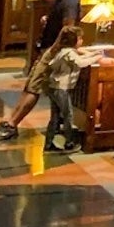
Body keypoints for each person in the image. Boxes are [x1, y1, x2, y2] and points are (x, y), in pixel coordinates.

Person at [0, 0, 80, 142]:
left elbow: (68, 28)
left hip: (52, 52)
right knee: (30, 86)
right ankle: (10, 121)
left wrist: (53, 50)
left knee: (34, 88)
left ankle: (12, 124)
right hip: (48, 49)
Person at [43, 25, 100, 153]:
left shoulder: (64, 51)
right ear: (73, 40)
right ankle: (69, 143)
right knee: (67, 115)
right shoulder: (68, 52)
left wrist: (92, 54)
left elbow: (79, 59)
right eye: (80, 38)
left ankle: (49, 144)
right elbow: (80, 63)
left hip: (54, 87)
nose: (82, 41)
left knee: (55, 117)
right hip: (61, 88)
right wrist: (97, 58)